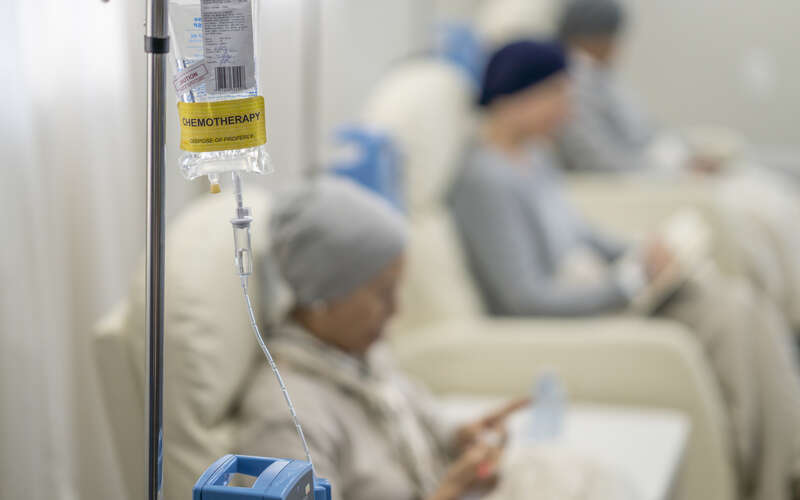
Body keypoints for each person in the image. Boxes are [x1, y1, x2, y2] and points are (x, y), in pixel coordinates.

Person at [447, 39, 800, 500]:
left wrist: (643, 251)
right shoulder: (484, 181)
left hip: (602, 291)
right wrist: (627, 284)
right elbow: (523, 297)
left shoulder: (534, 157)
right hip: (578, 315)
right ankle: (772, 475)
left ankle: (779, 462)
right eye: (558, 95)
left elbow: (580, 233)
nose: (569, 111)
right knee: (729, 317)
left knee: (737, 303)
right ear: (517, 97)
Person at [237, 177, 527, 500]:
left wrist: (461, 440)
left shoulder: (359, 357)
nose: (396, 310)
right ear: (324, 295)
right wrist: (448, 493)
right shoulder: (286, 417)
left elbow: (416, 428)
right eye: (383, 293)